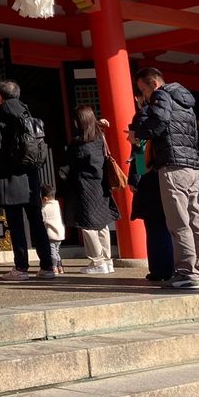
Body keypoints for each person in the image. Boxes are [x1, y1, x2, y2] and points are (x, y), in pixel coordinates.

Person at [133, 67, 199, 290]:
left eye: (143, 90)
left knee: (178, 222)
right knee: (196, 219)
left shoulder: (161, 95)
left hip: (172, 163)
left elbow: (158, 121)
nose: (144, 96)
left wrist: (139, 133)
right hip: (191, 164)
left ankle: (187, 272)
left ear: (153, 84)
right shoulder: (185, 102)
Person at [0, 79, 54, 280]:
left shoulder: (1, 116)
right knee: (36, 221)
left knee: (16, 224)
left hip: (9, 177)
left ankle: (21, 267)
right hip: (31, 176)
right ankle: (47, 266)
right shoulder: (27, 114)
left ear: (0, 97)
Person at [63, 105, 120, 274]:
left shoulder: (79, 143)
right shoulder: (99, 138)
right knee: (102, 224)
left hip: (85, 187)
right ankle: (108, 260)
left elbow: (70, 166)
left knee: (88, 226)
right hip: (101, 186)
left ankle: (97, 261)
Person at [127, 117, 175, 282]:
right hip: (168, 179)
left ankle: (160, 269)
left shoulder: (143, 140)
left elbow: (141, 166)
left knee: (156, 230)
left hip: (149, 186)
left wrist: (133, 179)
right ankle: (171, 267)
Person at [40, 184, 65, 274]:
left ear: (45, 199)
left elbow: (43, 220)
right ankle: (60, 267)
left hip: (51, 234)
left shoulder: (45, 208)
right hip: (60, 233)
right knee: (57, 252)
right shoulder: (56, 205)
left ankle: (54, 267)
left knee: (52, 253)